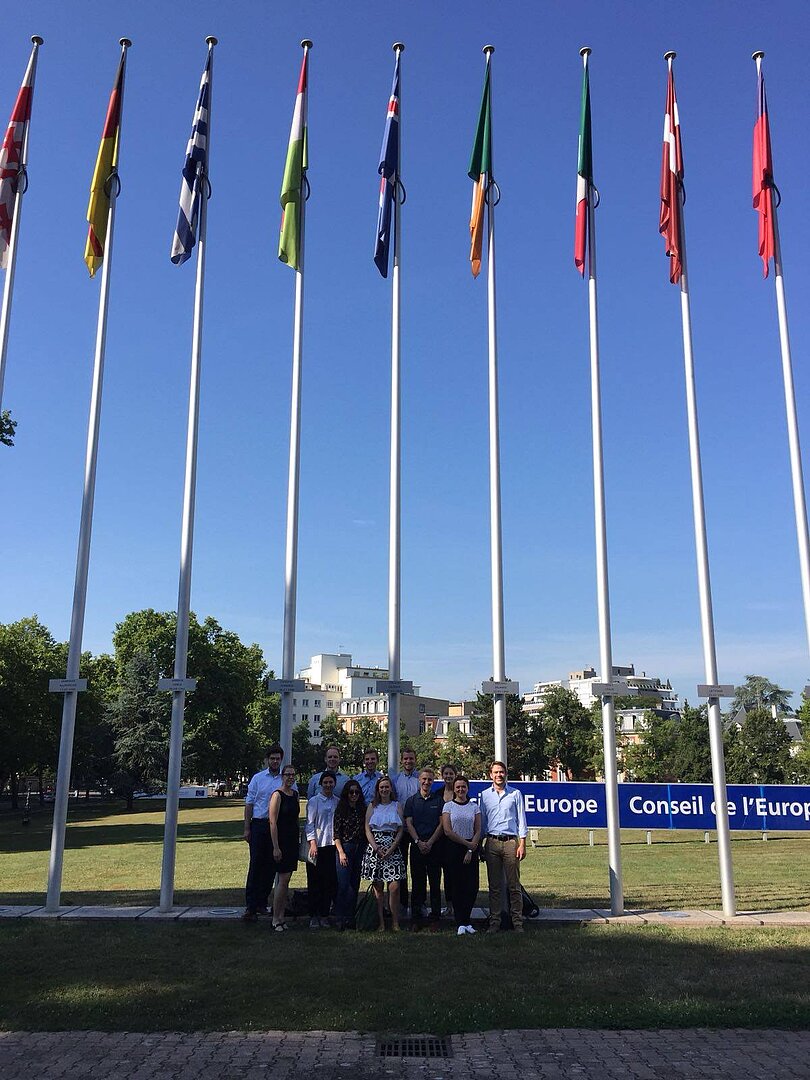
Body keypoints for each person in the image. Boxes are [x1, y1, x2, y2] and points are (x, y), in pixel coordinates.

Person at [479, 760, 528, 934]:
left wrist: (522, 843)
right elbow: (482, 821)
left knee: (514, 885)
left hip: (510, 843)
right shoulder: (485, 796)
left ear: (505, 774)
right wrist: (480, 844)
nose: (499, 775)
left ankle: (517, 922)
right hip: (491, 842)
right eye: (496, 772)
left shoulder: (515, 794)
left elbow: (521, 819)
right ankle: (495, 922)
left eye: (501, 772)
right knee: (494, 886)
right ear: (490, 775)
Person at [242, 744, 286, 922]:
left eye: (278, 759)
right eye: (272, 758)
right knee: (256, 865)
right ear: (267, 760)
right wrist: (247, 827)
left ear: (281, 760)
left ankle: (262, 902)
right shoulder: (258, 778)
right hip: (260, 824)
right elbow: (249, 803)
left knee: (271, 866)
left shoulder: (285, 779)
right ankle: (251, 906)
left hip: (278, 827)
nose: (275, 761)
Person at [361, 776, 405, 931]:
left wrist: (392, 848)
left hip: (393, 847)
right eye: (381, 787)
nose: (384, 790)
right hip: (376, 849)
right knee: (378, 889)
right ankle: (380, 922)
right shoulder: (372, 806)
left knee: (394, 887)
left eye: (387, 787)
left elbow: (401, 829)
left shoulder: (397, 805)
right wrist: (376, 848)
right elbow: (367, 829)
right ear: (378, 790)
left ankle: (395, 922)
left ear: (391, 788)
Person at [403, 768, 444, 931]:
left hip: (435, 847)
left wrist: (431, 842)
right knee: (417, 884)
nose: (427, 782)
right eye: (424, 779)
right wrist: (418, 842)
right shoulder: (411, 801)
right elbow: (409, 823)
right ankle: (416, 918)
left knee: (434, 883)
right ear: (419, 780)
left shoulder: (439, 800)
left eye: (430, 780)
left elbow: (442, 823)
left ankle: (435, 918)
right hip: (417, 847)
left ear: (433, 781)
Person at [442, 776, 482, 935]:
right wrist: (467, 844)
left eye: (463, 786)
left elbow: (478, 829)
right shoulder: (448, 806)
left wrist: (471, 849)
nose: (460, 789)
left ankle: (467, 920)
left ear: (467, 788)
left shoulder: (474, 807)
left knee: (472, 886)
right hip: (454, 848)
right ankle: (460, 922)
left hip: (471, 849)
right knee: (457, 886)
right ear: (454, 789)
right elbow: (447, 830)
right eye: (458, 787)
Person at [268, 764, 300, 932]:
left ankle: (282, 916)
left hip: (292, 841)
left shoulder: (295, 795)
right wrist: (275, 846)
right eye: (288, 774)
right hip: (281, 842)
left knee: (286, 880)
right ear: (282, 776)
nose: (290, 777)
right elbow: (272, 822)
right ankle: (276, 918)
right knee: (282, 880)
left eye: (293, 775)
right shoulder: (277, 795)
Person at [305, 770, 339, 928]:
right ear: (320, 784)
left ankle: (324, 915)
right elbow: (309, 824)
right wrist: (312, 843)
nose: (328, 785)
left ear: (334, 784)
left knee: (329, 882)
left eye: (331, 782)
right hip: (317, 847)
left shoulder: (337, 801)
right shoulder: (314, 801)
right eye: (325, 782)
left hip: (331, 846)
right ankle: (313, 915)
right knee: (314, 882)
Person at [333, 779, 366, 930]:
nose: (354, 795)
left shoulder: (363, 809)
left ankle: (350, 917)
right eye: (351, 792)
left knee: (354, 884)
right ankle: (339, 918)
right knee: (343, 885)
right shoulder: (341, 809)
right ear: (346, 793)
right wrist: (341, 852)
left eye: (356, 792)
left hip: (359, 848)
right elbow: (336, 834)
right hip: (345, 848)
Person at [389, 747, 419, 913]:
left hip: (416, 829)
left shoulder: (420, 778)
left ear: (415, 760)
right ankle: (402, 903)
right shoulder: (395, 780)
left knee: (417, 868)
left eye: (411, 758)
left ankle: (418, 904)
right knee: (400, 867)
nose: (408, 761)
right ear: (401, 761)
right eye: (405, 759)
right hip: (399, 829)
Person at [439, 762, 458, 918]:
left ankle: (458, 905)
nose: (448, 776)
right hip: (440, 840)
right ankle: (449, 905)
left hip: (456, 839)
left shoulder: (460, 792)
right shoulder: (437, 794)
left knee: (455, 873)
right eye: (446, 773)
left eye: (451, 774)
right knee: (445, 873)